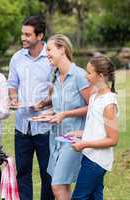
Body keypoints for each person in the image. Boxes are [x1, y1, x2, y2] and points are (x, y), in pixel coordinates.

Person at [35, 34, 91, 200]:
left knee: (57, 186)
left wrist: (65, 114)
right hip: (56, 138)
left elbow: (93, 108)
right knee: (62, 186)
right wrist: (48, 115)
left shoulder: (80, 76)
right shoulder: (55, 77)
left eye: (49, 50)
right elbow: (59, 108)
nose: (47, 55)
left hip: (74, 139)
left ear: (62, 49)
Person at [7, 15, 54, 200]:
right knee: (23, 173)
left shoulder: (50, 58)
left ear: (40, 35)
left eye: (28, 34)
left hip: (45, 126)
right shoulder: (17, 58)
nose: (23, 38)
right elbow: (12, 83)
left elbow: (58, 89)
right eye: (22, 34)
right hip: (22, 127)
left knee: (47, 174)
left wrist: (45, 103)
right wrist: (13, 98)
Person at [71, 55, 119, 200]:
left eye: (90, 73)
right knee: (95, 196)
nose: (86, 76)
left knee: (79, 197)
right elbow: (95, 130)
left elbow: (113, 140)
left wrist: (85, 143)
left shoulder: (109, 104)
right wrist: (77, 133)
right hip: (89, 156)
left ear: (101, 76)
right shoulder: (94, 96)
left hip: (97, 160)